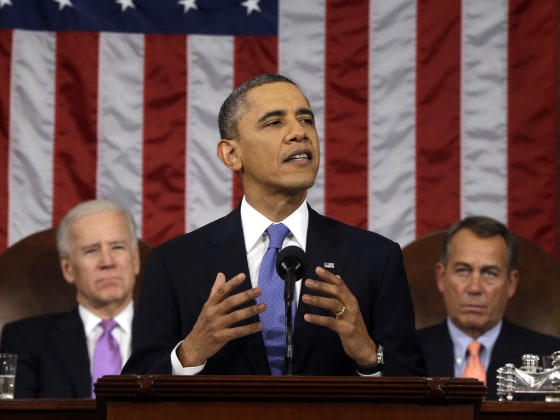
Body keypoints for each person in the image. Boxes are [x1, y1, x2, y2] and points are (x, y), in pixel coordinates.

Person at [122, 73, 425, 377]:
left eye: (306, 120)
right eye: (274, 123)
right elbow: (134, 391)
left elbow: (415, 388)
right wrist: (190, 352)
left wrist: (368, 354)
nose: (299, 133)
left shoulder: (375, 259)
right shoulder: (175, 263)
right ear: (231, 154)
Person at [0, 199, 141, 398]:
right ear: (68, 269)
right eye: (91, 250)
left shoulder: (174, 336)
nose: (107, 262)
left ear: (135, 260)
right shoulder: (25, 339)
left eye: (117, 247)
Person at [416, 216, 560, 400]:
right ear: (441, 277)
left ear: (511, 283)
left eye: (490, 273)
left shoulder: (551, 359)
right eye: (463, 270)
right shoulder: (405, 354)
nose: (475, 288)